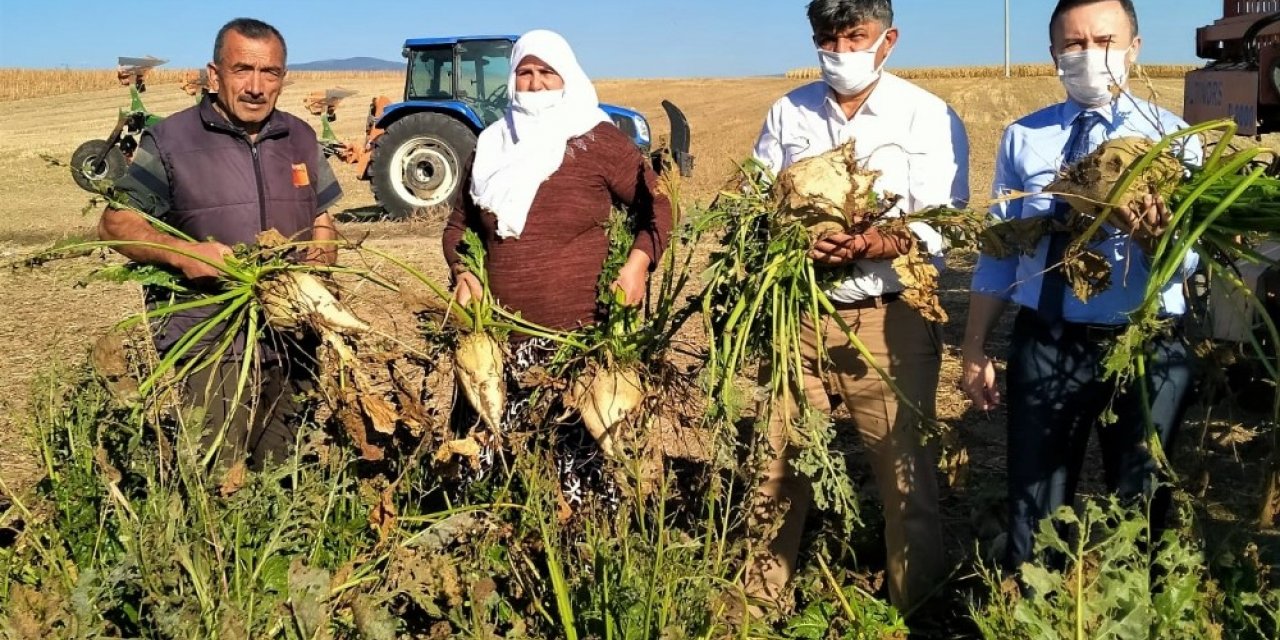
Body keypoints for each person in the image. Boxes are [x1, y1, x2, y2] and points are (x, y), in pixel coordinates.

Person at [961, 0, 1201, 573]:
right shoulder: (1024, 139)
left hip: (1148, 347)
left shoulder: (1179, 141)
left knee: (1142, 511)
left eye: (1105, 41)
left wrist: (1157, 243)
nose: (1090, 55)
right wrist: (973, 348)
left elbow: (1191, 261)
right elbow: (1000, 252)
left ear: (1134, 48)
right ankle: (1038, 610)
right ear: (1053, 55)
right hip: (1048, 341)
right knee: (1035, 509)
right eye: (1074, 44)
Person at [746, 0, 969, 614]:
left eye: (856, 36)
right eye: (828, 37)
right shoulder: (787, 112)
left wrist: (872, 243)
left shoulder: (926, 114)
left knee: (904, 475)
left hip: (887, 316)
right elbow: (755, 205)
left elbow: (940, 221)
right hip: (799, 315)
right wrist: (793, 238)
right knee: (777, 465)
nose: (841, 50)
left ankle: (915, 608)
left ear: (887, 39)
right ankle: (757, 603)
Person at [99, 18, 343, 471]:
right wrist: (184, 253)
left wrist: (322, 255)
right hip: (213, 337)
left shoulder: (301, 138)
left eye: (269, 73)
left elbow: (322, 217)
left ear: (283, 78)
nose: (255, 86)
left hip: (293, 337)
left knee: (285, 472)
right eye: (242, 70)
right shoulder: (171, 139)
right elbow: (116, 222)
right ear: (214, 75)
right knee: (219, 473)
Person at [442, 30, 672, 504]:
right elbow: (458, 228)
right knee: (498, 467)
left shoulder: (598, 141)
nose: (535, 83)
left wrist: (638, 262)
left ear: (568, 78)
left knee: (584, 472)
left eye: (547, 72)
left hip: (578, 344)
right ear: (512, 81)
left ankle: (590, 557)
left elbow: (658, 207)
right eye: (525, 73)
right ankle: (492, 549)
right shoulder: (488, 146)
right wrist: (463, 270)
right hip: (499, 349)